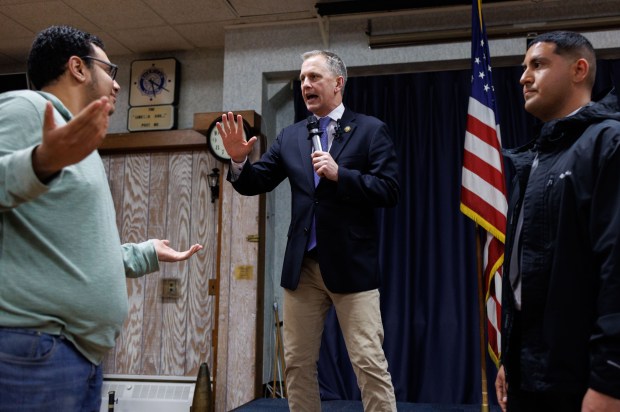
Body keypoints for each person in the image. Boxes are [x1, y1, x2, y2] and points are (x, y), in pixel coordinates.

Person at [0, 26, 203, 411]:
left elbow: (71, 249)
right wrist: (40, 162)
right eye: (109, 71)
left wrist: (144, 253)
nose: (117, 85)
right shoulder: (25, 108)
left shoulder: (79, 147)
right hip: (33, 347)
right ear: (78, 67)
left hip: (76, 355)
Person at [217, 50, 399, 411]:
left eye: (314, 77)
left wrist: (340, 174)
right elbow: (257, 182)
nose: (305, 85)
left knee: (368, 363)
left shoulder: (370, 130)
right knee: (298, 364)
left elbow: (389, 190)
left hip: (352, 268)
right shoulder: (291, 136)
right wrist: (238, 160)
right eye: (302, 79)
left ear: (337, 83)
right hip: (302, 269)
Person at [495, 31, 620, 411]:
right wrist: (509, 360)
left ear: (579, 69)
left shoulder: (608, 143)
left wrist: (609, 381)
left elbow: (616, 269)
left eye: (538, 64)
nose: (524, 77)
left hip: (583, 381)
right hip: (530, 372)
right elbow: (523, 276)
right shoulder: (533, 159)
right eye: (523, 68)